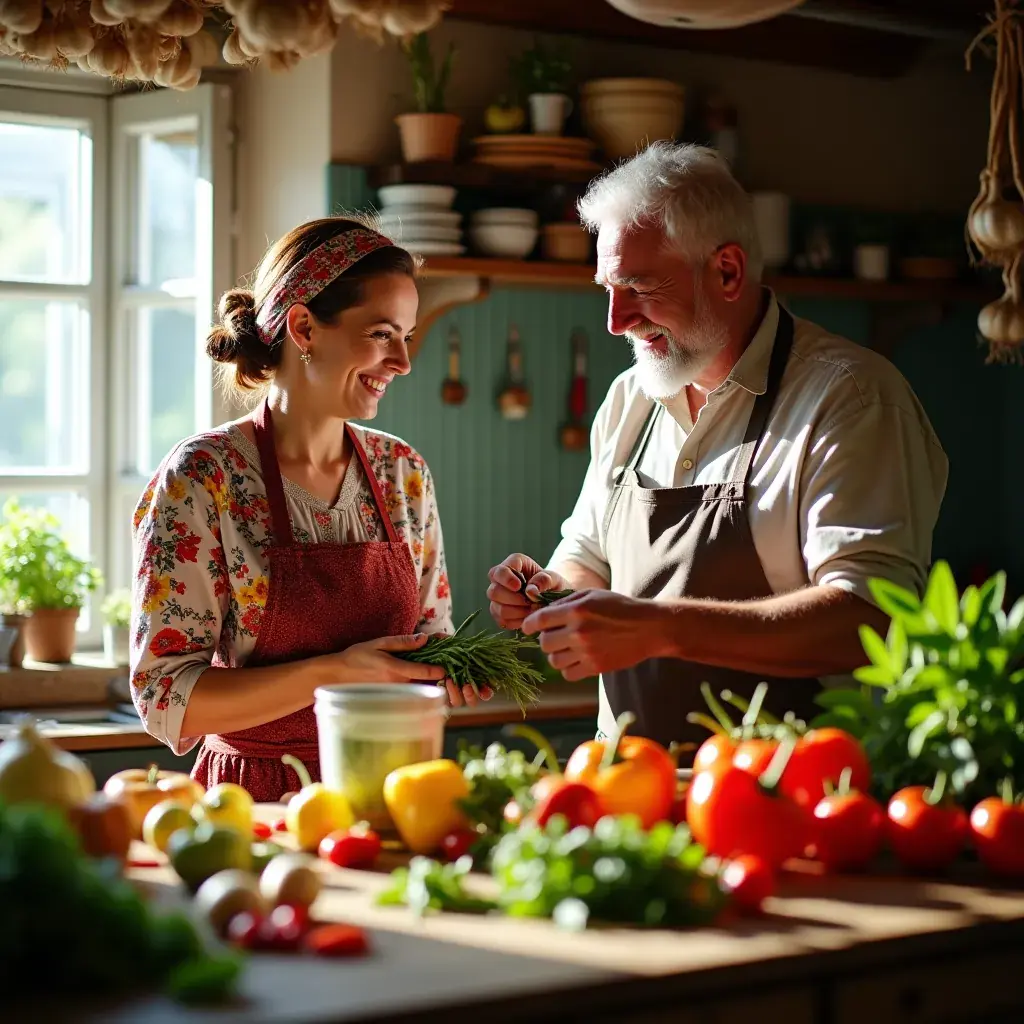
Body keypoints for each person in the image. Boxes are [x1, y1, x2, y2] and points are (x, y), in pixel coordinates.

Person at [487, 142, 948, 751]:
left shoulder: (852, 399)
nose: (615, 320)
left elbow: (870, 617)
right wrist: (551, 593)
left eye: (639, 286)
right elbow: (589, 553)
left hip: (788, 794)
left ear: (727, 271)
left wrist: (662, 628)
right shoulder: (630, 398)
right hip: (629, 784)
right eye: (606, 288)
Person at [131, 215, 490, 801]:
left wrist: (451, 673)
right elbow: (166, 700)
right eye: (381, 334)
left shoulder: (404, 476)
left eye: (406, 335)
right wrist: (335, 674)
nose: (402, 362)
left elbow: (429, 645)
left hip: (391, 790)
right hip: (255, 803)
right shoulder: (204, 478)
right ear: (303, 326)